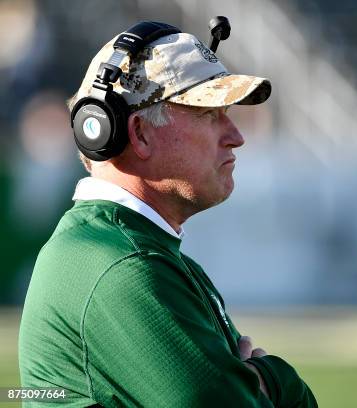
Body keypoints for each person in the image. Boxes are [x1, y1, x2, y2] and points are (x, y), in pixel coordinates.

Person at [19, 22, 317, 408]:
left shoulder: (138, 253)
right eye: (210, 114)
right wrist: (278, 381)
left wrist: (257, 385)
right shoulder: (125, 268)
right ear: (140, 133)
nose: (235, 135)